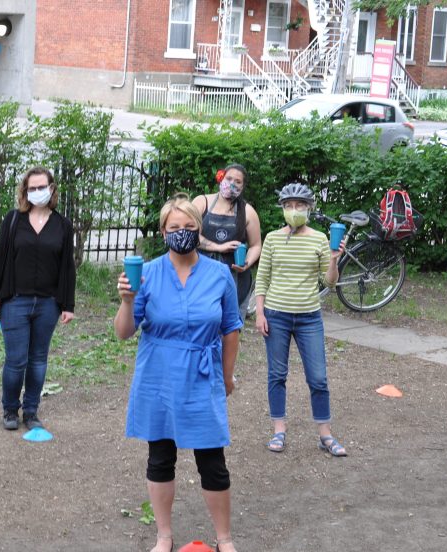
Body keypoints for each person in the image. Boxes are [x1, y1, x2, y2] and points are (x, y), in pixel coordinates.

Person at [113, 194, 241, 552]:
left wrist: (226, 376)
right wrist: (126, 301)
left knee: (212, 461)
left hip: (203, 376)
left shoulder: (219, 275)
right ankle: (164, 535)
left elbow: (231, 329)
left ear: (199, 231)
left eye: (189, 227)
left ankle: (225, 538)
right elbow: (123, 332)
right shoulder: (148, 273)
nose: (181, 232)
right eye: (174, 227)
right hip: (159, 377)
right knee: (160, 458)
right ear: (163, 231)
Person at [254, 182, 347, 457]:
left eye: (300, 206)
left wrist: (334, 259)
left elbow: (330, 283)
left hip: (309, 317)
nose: (294, 210)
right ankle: (278, 430)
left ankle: (325, 435)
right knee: (277, 375)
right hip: (276, 315)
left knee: (318, 377)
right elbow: (263, 278)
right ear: (283, 208)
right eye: (289, 206)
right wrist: (259, 312)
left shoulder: (319, 238)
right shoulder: (271, 238)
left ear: (309, 209)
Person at [0, 167, 75, 431]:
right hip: (15, 301)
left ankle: (32, 411)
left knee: (38, 359)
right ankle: (10, 409)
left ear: (51, 188)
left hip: (48, 304)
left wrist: (67, 305)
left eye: (41, 187)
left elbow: (67, 267)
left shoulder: (62, 225)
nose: (37, 192)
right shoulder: (13, 220)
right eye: (32, 188)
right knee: (16, 360)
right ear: (25, 191)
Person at [192, 163, 262, 313]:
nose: (232, 184)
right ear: (221, 178)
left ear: (243, 186)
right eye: (229, 178)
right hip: (200, 275)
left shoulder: (248, 212)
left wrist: (246, 263)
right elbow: (189, 234)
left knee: (231, 328)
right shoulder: (201, 202)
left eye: (238, 182)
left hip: (235, 279)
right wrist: (217, 247)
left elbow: (256, 245)